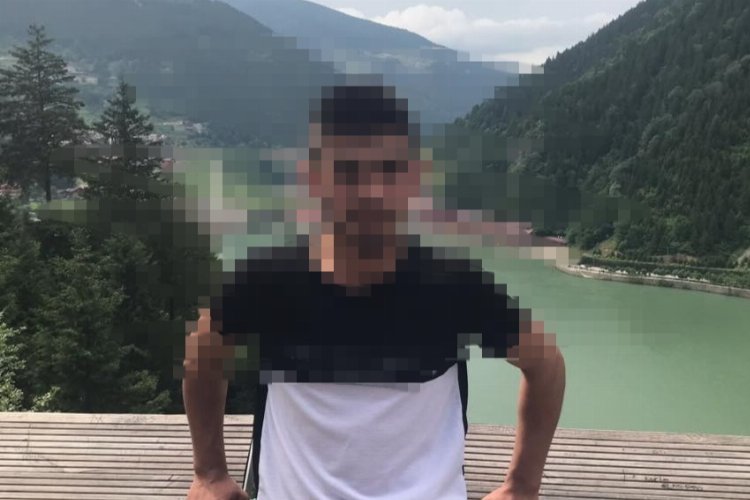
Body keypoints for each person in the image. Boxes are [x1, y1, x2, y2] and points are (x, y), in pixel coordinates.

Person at [183, 84, 566, 500]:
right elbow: (203, 356)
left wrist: (522, 485)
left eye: (389, 169)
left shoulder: (455, 286)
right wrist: (209, 473)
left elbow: (546, 364)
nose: (371, 192)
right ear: (315, 178)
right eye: (347, 171)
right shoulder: (267, 282)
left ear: (413, 177)